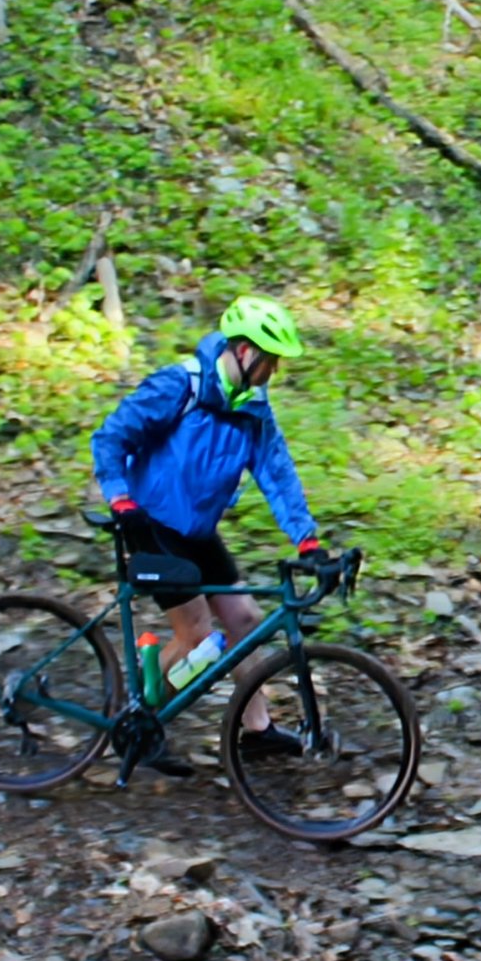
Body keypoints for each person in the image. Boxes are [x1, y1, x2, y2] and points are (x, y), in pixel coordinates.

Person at [91, 295, 328, 764]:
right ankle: (136, 720)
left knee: (243, 620)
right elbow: (111, 437)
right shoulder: (179, 386)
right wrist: (120, 498)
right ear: (244, 352)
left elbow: (277, 476)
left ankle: (256, 729)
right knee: (196, 631)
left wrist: (308, 540)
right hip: (150, 523)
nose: (274, 371)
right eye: (271, 360)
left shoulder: (253, 409)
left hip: (197, 530)